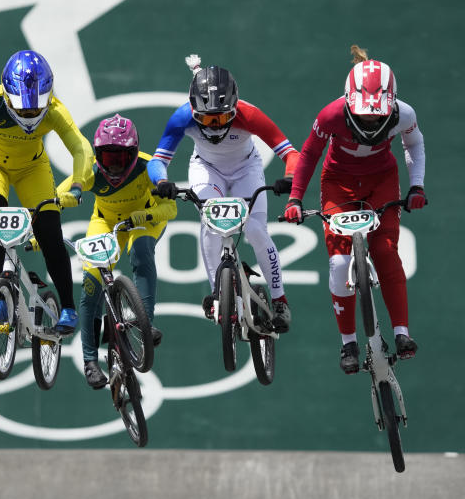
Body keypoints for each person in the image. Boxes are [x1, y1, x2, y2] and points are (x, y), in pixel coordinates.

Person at [283, 45, 426, 373]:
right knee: (338, 262)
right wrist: (294, 198)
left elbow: (414, 145)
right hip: (338, 183)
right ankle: (348, 342)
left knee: (387, 250)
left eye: (377, 116)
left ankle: (403, 334)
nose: (370, 121)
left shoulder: (404, 114)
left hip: (382, 182)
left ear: (391, 104)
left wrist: (416, 185)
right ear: (348, 102)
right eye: (362, 114)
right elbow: (308, 156)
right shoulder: (330, 115)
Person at [0, 49, 94, 333]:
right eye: (23, 109)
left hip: (31, 169)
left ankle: (69, 307)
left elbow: (81, 148)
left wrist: (77, 185)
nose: (29, 115)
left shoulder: (56, 110)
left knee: (50, 232)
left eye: (36, 109)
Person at [148, 55, 300, 332]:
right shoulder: (182, 116)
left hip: (247, 170)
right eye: (207, 118)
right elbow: (157, 160)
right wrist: (161, 182)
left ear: (234, 108)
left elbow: (291, 154)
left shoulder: (250, 114)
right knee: (210, 225)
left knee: (255, 230)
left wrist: (289, 178)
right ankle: (217, 294)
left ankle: (279, 300)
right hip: (207, 168)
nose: (215, 125)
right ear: (194, 110)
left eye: (221, 117)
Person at [54, 113, 177, 388]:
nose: (114, 166)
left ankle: (145, 324)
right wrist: (42, 232)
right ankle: (89, 361)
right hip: (106, 222)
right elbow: (55, 201)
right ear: (97, 155)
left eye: (120, 159)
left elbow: (171, 208)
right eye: (108, 159)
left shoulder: (148, 167)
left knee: (142, 252)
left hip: (142, 220)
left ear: (133, 154)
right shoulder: (89, 172)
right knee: (91, 283)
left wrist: (144, 217)